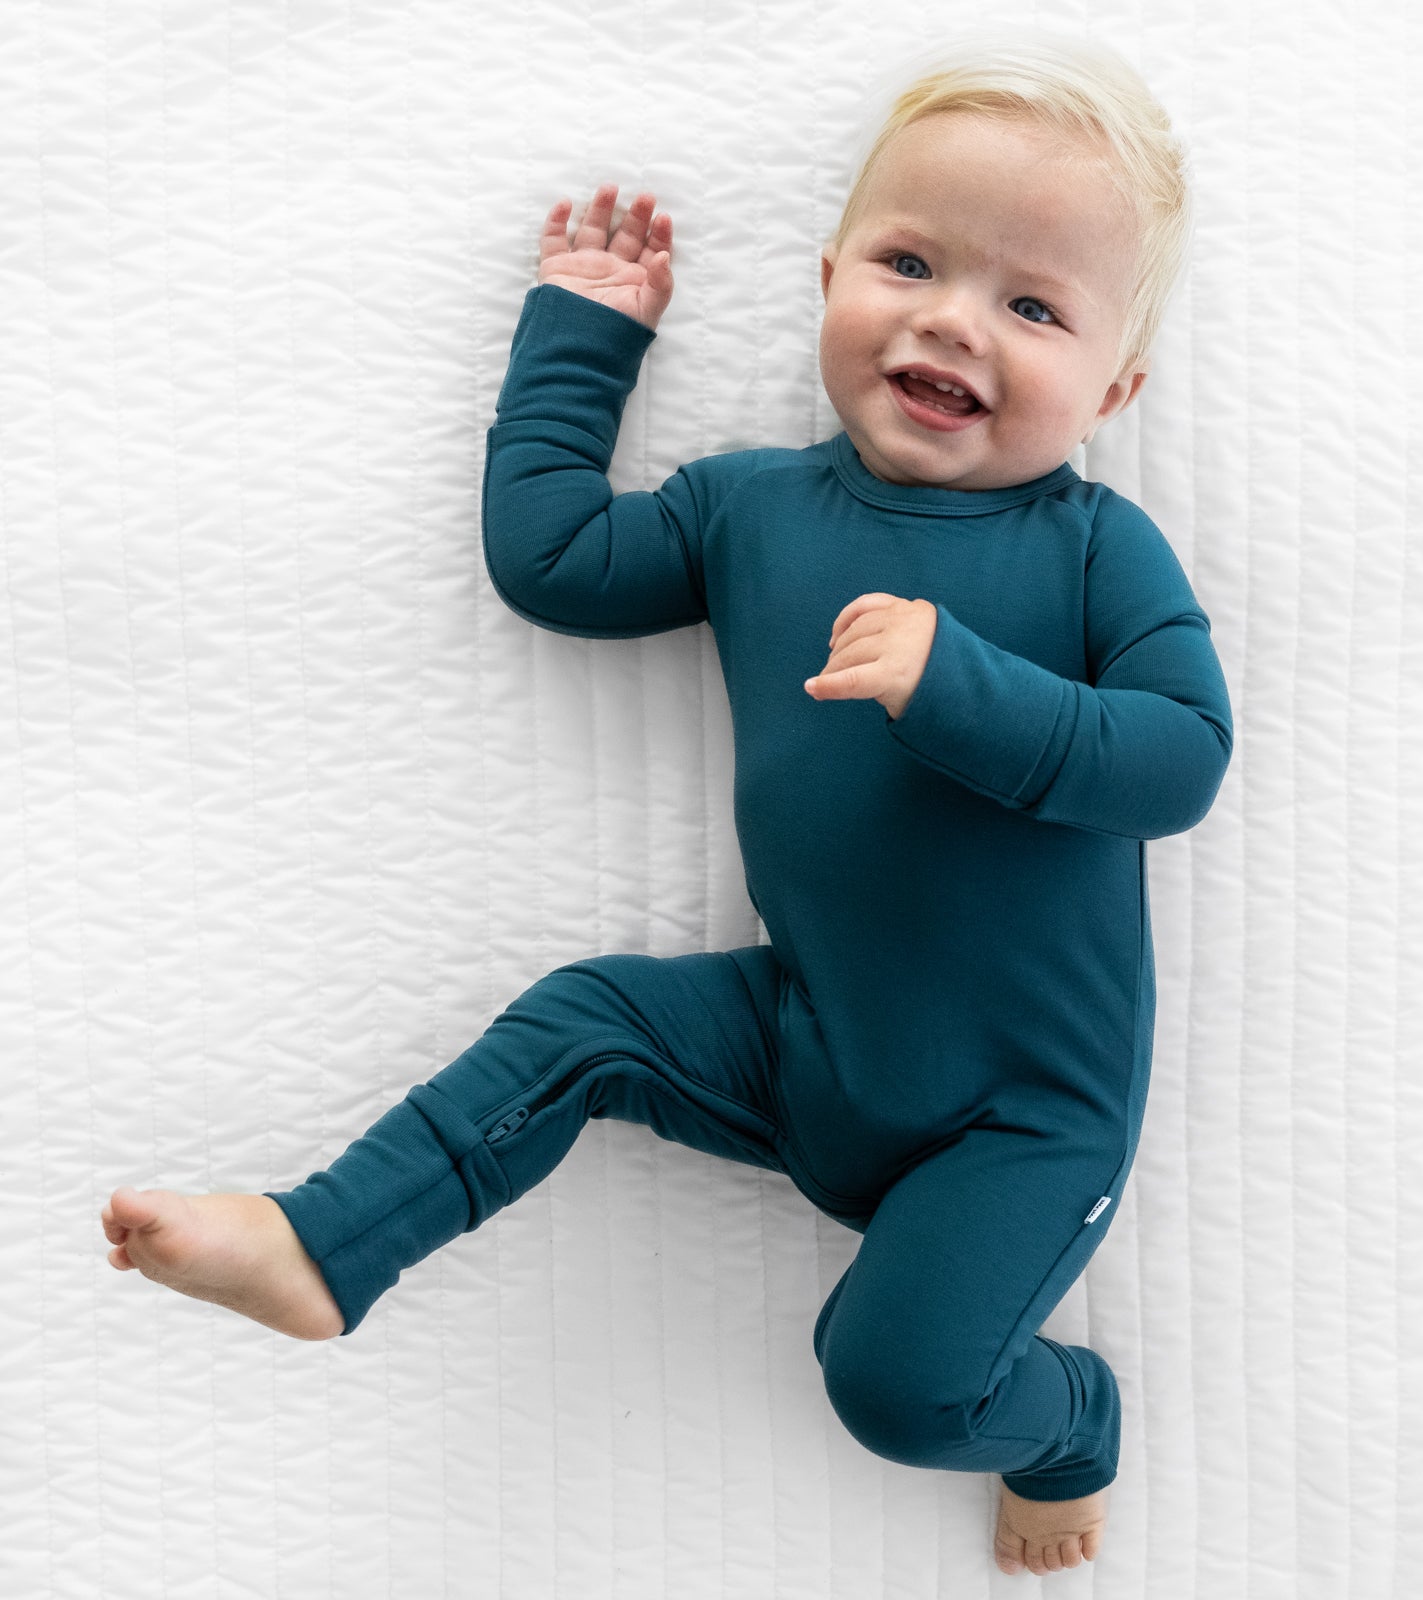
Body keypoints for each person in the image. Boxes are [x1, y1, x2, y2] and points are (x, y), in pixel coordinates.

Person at [101, 40, 1231, 1578]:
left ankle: (1072, 1418)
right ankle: (322, 1242)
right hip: (802, 1036)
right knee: (584, 1019)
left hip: (1023, 1112)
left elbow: (1180, 759)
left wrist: (958, 683)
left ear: (1117, 384)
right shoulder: (749, 508)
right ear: (830, 275)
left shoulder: (1100, 551)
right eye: (910, 262)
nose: (954, 321)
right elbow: (553, 563)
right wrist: (586, 337)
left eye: (1032, 307)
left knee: (893, 1383)